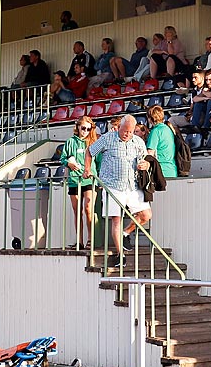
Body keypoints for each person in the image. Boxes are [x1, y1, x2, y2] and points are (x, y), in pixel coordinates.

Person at [89, 114, 151, 265]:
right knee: (116, 219)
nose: (127, 134)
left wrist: (146, 165)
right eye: (125, 131)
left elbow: (146, 160)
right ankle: (120, 254)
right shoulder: (107, 138)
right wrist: (87, 169)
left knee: (146, 215)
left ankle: (125, 233)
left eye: (130, 132)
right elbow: (90, 152)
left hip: (132, 185)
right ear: (119, 127)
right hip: (112, 185)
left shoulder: (138, 141)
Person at [60, 119, 97, 249]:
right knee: (77, 211)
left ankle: (90, 239)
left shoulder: (93, 142)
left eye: (88, 129)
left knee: (88, 208)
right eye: (83, 128)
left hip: (89, 179)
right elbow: (63, 158)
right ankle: (79, 241)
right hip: (74, 180)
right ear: (78, 127)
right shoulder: (70, 142)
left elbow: (99, 161)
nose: (85, 132)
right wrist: (68, 163)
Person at [146, 104, 180, 180]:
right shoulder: (168, 129)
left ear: (150, 118)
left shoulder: (155, 131)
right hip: (172, 170)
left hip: (161, 171)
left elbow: (150, 154)